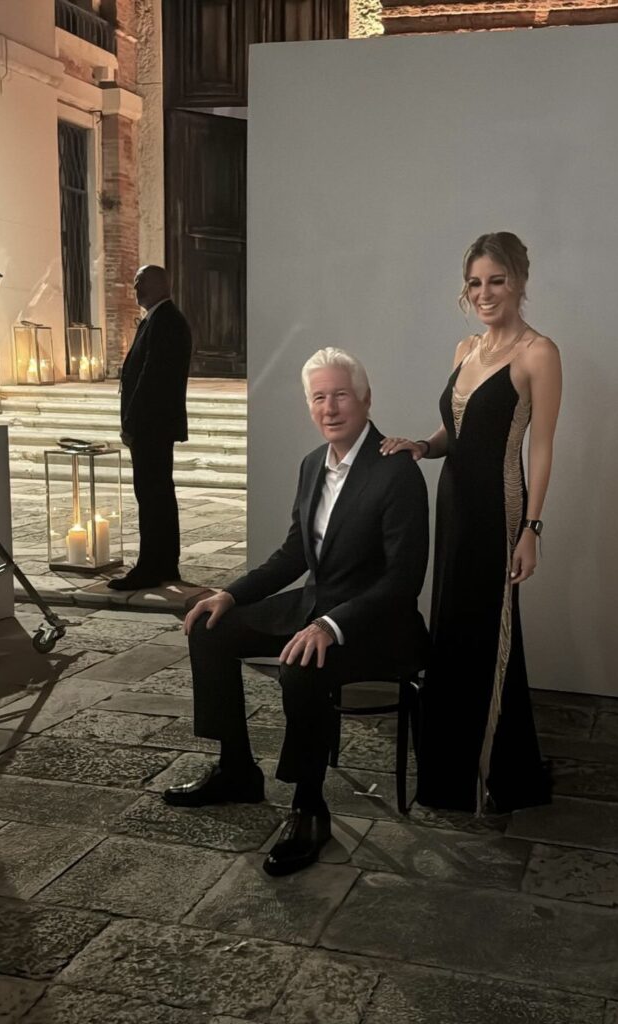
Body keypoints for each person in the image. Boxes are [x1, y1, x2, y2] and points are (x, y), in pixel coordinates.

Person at [164, 347, 429, 876]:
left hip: (379, 624)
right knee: (210, 627)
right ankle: (237, 771)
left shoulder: (396, 472)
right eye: (318, 397)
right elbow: (293, 554)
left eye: (341, 395)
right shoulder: (312, 465)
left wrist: (332, 625)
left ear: (366, 399)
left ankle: (310, 807)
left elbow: (403, 581)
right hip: (317, 604)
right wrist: (231, 594)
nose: (330, 408)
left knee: (302, 665)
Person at [382, 231, 562, 813]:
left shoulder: (538, 353)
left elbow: (541, 447)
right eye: (475, 283)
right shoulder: (465, 348)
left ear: (520, 282)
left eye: (496, 281)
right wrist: (422, 446)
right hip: (454, 503)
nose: (484, 293)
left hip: (498, 509)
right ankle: (449, 769)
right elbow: (456, 431)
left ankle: (492, 773)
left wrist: (531, 529)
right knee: (452, 624)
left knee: (489, 629)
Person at [108, 265, 191, 591]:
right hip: (153, 425)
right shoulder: (158, 319)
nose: (135, 289)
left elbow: (152, 379)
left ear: (159, 284)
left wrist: (131, 422)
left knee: (153, 497)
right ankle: (164, 564)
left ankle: (150, 568)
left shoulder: (166, 321)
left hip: (151, 426)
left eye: (139, 283)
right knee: (158, 495)